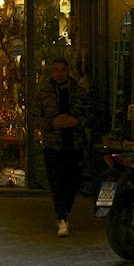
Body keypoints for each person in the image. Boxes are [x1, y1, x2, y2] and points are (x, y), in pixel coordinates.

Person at [34, 56, 91, 237]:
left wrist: (76, 122)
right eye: (56, 70)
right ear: (52, 71)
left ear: (68, 71)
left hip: (75, 145)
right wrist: (53, 123)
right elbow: (34, 118)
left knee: (72, 182)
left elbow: (91, 115)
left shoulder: (80, 92)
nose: (59, 73)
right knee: (57, 182)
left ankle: (64, 212)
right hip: (53, 145)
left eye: (63, 70)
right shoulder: (43, 93)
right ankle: (61, 217)